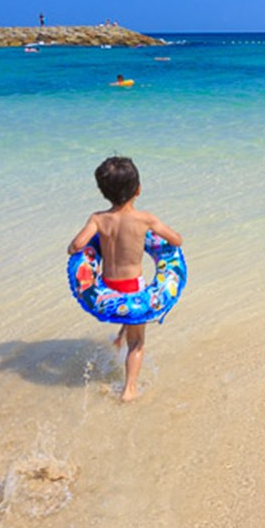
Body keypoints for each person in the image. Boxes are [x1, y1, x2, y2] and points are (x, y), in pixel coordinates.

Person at [67, 157, 183, 402]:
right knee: (138, 342)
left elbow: (77, 245)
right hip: (133, 288)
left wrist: (77, 249)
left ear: (103, 192)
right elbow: (175, 240)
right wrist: (174, 238)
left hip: (107, 286)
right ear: (138, 189)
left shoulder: (97, 219)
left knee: (126, 311)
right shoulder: (146, 219)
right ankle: (129, 389)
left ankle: (119, 337)